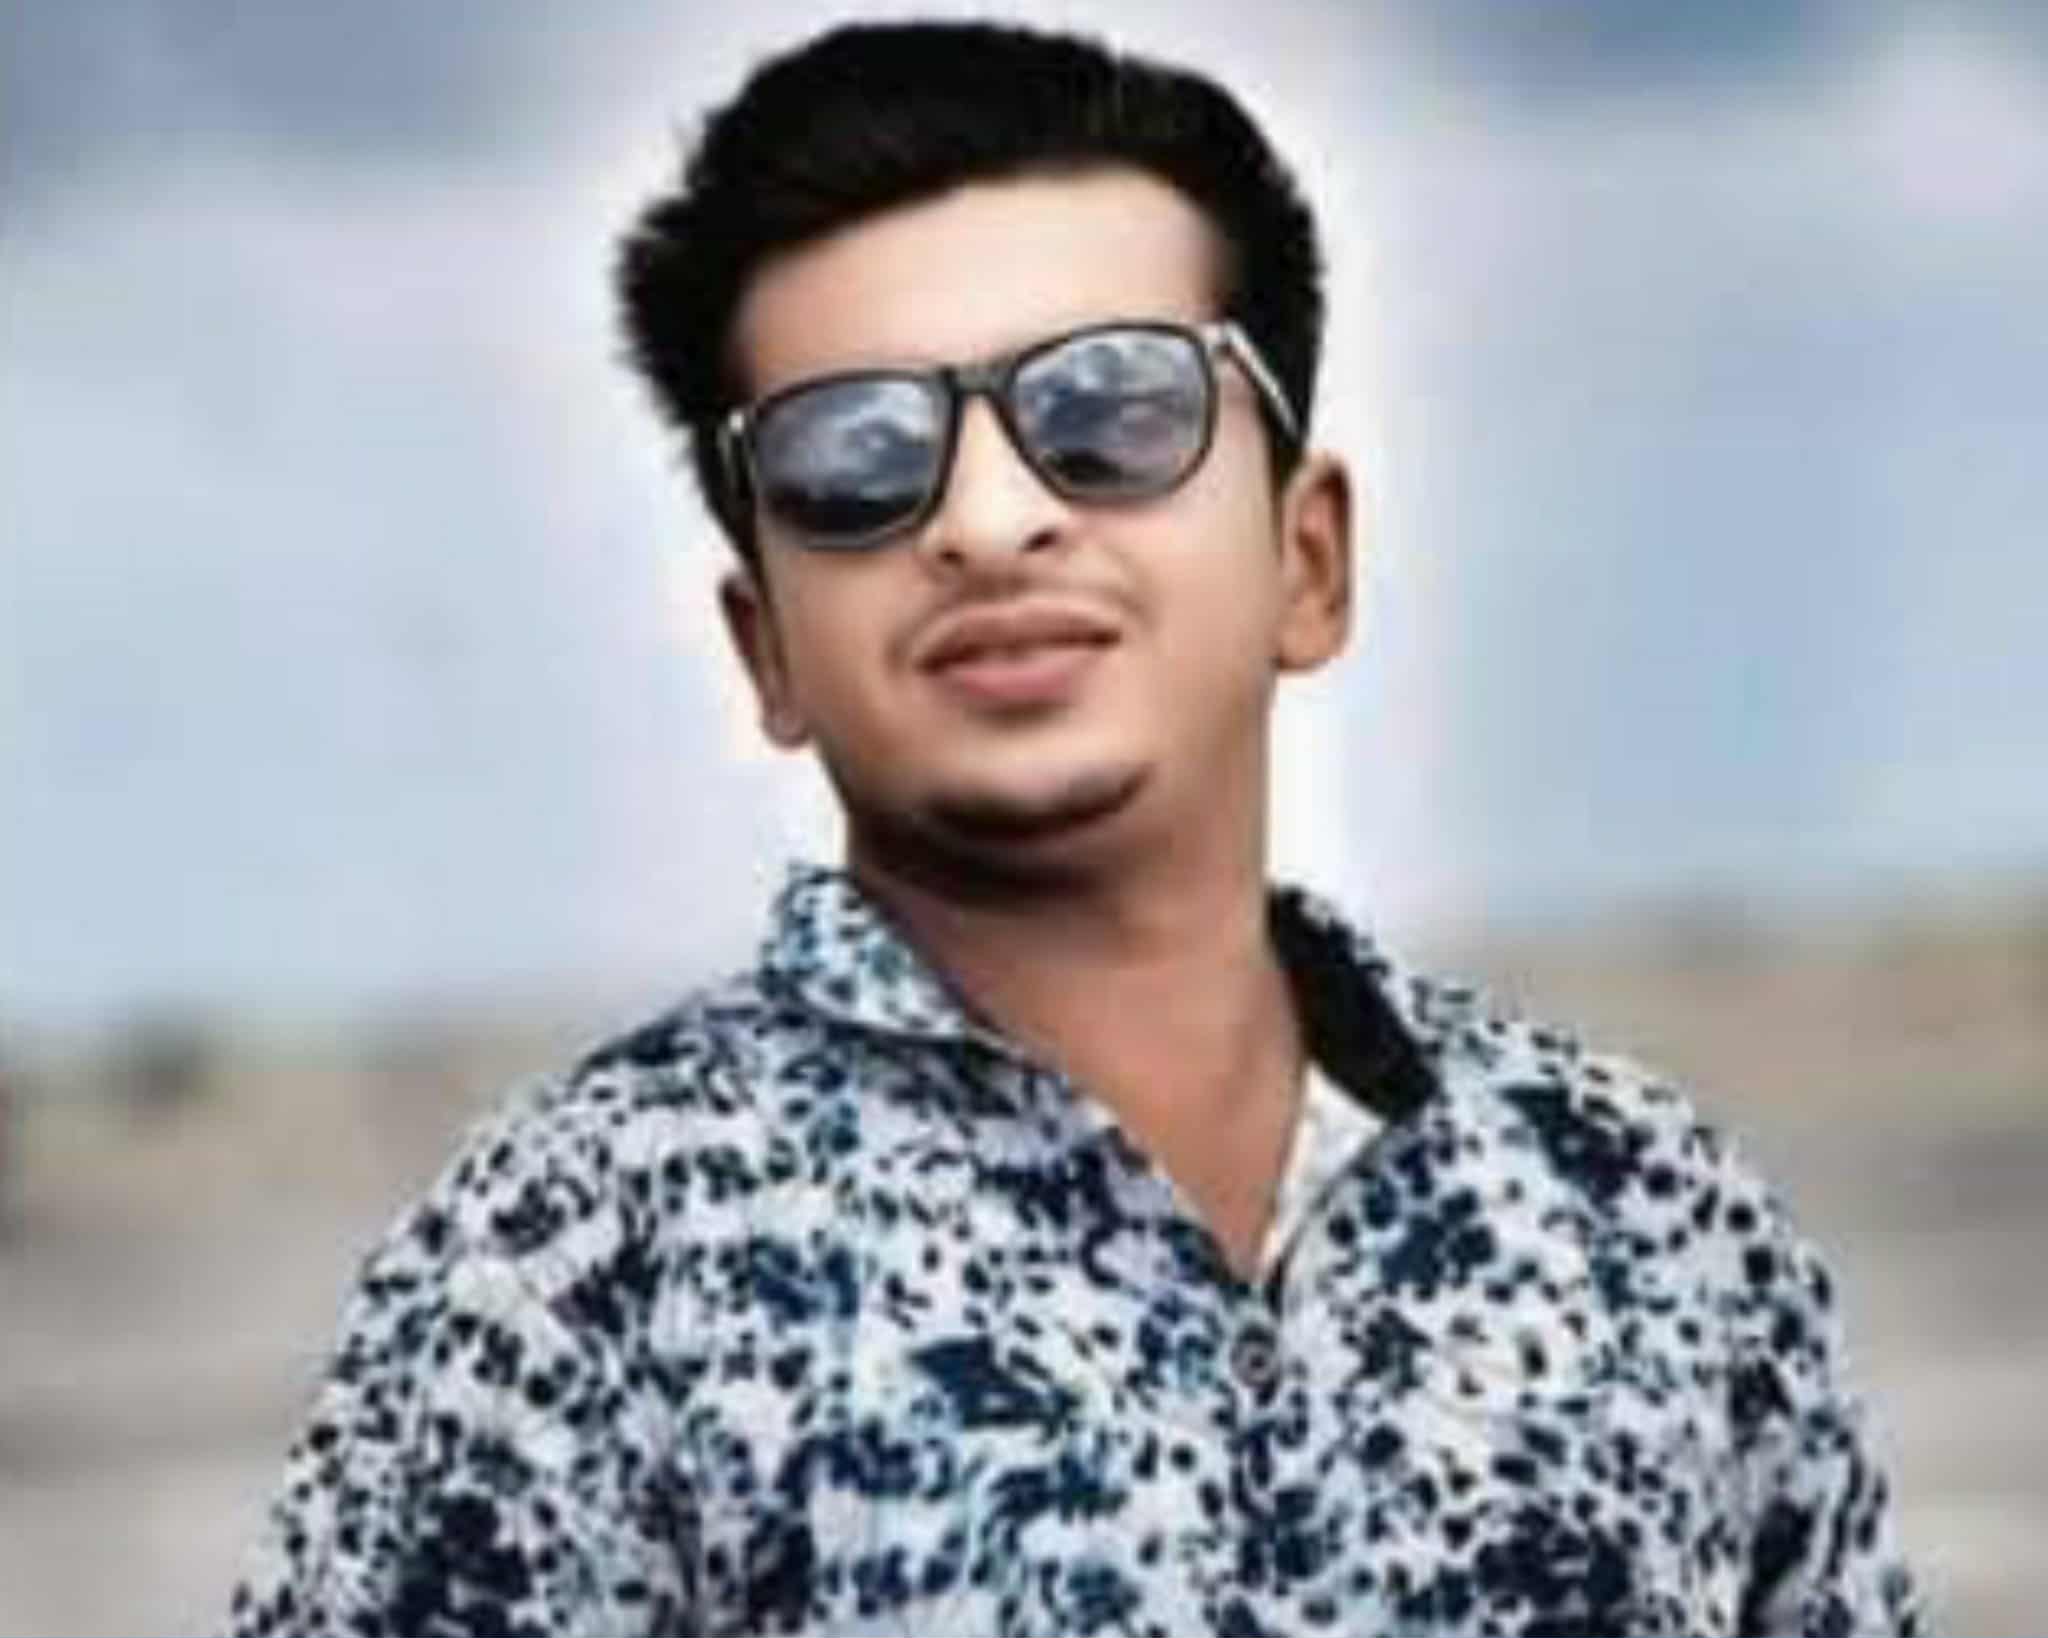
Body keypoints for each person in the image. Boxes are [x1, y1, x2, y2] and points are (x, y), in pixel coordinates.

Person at [229, 20, 1921, 1636]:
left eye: (1111, 411)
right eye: (856, 456)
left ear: (1310, 558)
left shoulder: (1641, 1215)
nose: (989, 519)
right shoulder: (577, 1264)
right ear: (767, 648)